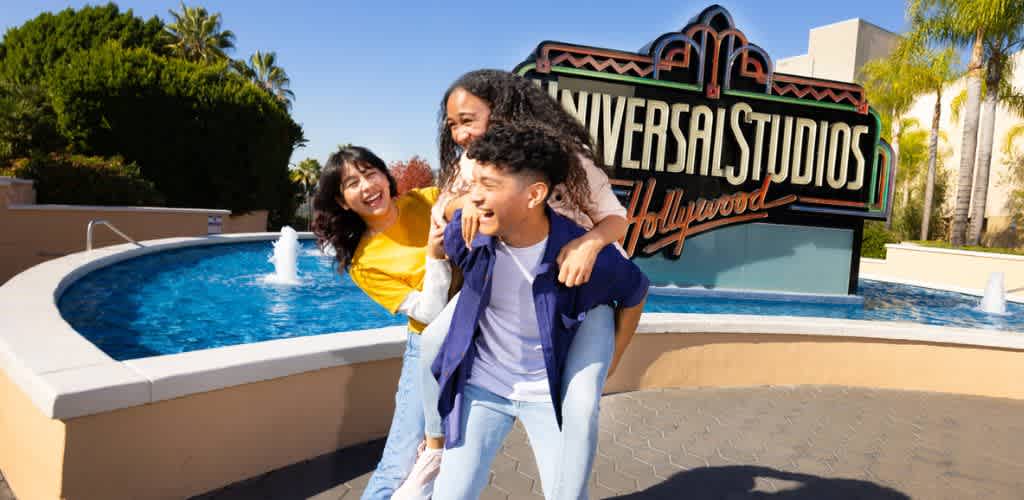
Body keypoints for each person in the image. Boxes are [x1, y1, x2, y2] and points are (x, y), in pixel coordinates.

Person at [399, 69, 632, 500]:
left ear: (501, 111)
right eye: (451, 124)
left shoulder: (567, 160)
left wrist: (588, 243)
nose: (458, 133)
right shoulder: (474, 163)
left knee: (579, 404)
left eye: (468, 119)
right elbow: (446, 206)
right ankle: (433, 449)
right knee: (433, 342)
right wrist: (461, 203)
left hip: (580, 284)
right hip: (510, 279)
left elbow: (617, 220)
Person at [311, 146, 451, 500]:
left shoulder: (426, 200)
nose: (367, 185)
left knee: (449, 459)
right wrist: (434, 255)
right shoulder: (364, 262)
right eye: (352, 182)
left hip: (477, 337)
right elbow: (430, 313)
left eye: (370, 172)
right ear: (342, 201)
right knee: (398, 464)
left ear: (386, 177)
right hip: (428, 351)